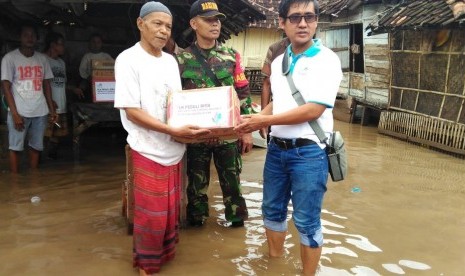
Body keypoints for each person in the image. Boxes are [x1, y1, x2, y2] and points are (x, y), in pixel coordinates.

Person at [234, 0, 343, 275]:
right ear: (282, 23)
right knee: (271, 210)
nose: (303, 23)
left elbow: (314, 109)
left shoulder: (326, 59)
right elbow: (281, 103)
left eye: (309, 17)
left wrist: (265, 120)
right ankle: (274, 264)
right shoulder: (281, 59)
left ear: (317, 21)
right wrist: (252, 120)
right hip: (276, 149)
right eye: (295, 18)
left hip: (309, 152)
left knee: (306, 220)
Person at [113, 2, 210, 275]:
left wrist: (187, 131)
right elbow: (132, 112)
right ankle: (146, 267)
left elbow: (176, 105)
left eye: (168, 26)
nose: (163, 31)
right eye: (157, 23)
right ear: (140, 24)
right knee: (151, 218)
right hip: (147, 149)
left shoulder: (170, 62)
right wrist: (172, 131)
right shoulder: (127, 60)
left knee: (169, 215)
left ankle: (162, 260)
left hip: (174, 149)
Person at [176, 0, 253, 228]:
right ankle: (197, 222)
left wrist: (247, 131)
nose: (215, 24)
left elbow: (243, 93)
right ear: (194, 23)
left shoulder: (231, 56)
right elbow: (176, 102)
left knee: (232, 183)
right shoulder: (181, 60)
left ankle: (237, 224)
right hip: (197, 136)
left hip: (228, 134)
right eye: (208, 20)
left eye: (217, 19)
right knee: (196, 186)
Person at [1, 23, 57, 173]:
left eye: (32, 35)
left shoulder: (42, 59)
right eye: (26, 35)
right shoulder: (9, 58)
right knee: (15, 147)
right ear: (20, 37)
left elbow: (47, 86)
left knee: (36, 147)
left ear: (37, 39)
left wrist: (51, 110)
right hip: (19, 111)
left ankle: (34, 179)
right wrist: (14, 113)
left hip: (40, 111)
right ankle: (15, 182)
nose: (29, 38)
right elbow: (5, 87)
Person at [43, 32, 70, 159]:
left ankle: (51, 165)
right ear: (53, 45)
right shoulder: (43, 60)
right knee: (44, 134)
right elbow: (41, 84)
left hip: (61, 104)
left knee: (56, 137)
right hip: (48, 106)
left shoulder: (61, 63)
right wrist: (49, 102)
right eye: (61, 44)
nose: (63, 47)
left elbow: (62, 83)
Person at [259, 37, 290, 140]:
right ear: (282, 23)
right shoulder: (276, 48)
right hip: (277, 109)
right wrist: (263, 119)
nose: (301, 24)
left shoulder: (322, 55)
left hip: (305, 116)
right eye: (294, 19)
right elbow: (267, 83)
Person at [76, 33, 113, 101]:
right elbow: (82, 70)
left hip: (105, 81)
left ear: (102, 44)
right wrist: (88, 77)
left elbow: (113, 68)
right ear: (90, 43)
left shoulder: (106, 56)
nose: (96, 44)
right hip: (89, 81)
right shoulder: (87, 56)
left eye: (98, 42)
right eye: (93, 42)